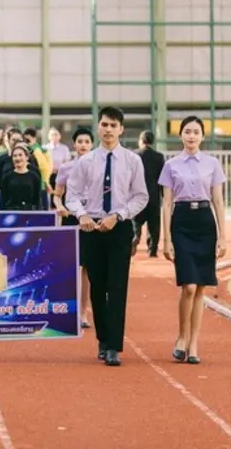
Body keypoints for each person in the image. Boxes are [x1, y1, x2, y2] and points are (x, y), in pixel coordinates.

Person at [65, 107, 148, 367]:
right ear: (98, 127)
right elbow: (72, 194)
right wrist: (82, 215)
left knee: (118, 287)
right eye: (104, 124)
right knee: (98, 288)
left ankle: (114, 346)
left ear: (121, 129)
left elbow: (141, 196)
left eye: (114, 125)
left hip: (119, 228)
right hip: (91, 229)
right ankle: (103, 339)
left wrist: (119, 215)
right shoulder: (85, 161)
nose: (109, 129)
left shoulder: (132, 161)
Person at [158, 116, 226, 365]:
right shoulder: (171, 165)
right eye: (187, 131)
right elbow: (166, 203)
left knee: (200, 288)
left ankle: (194, 342)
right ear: (180, 135)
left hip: (205, 223)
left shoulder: (213, 163)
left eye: (196, 132)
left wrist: (223, 237)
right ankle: (182, 337)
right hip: (182, 222)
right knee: (187, 286)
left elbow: (218, 201)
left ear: (202, 136)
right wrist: (166, 240)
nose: (191, 136)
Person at [53, 127, 94, 329]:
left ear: (92, 145)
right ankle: (66, 310)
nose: (83, 145)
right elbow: (57, 194)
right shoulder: (66, 168)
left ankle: (83, 313)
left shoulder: (99, 167)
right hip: (71, 218)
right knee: (70, 267)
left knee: (87, 268)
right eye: (80, 141)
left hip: (91, 218)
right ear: (74, 145)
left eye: (87, 141)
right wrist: (59, 206)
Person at [133, 130, 165, 257]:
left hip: (137, 195)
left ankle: (135, 237)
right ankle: (152, 249)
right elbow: (163, 178)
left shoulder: (134, 155)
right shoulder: (159, 157)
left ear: (141, 141)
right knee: (154, 224)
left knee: (136, 221)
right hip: (153, 195)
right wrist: (163, 195)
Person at [0, 143, 42, 211]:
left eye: (20, 155)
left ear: (27, 157)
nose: (17, 158)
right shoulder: (7, 177)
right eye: (15, 156)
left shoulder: (34, 177)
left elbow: (37, 200)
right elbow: (3, 199)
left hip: (29, 212)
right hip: (11, 212)